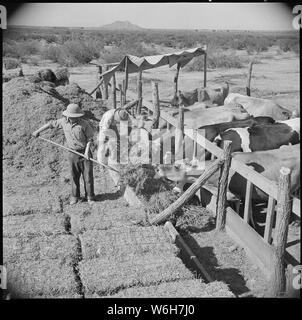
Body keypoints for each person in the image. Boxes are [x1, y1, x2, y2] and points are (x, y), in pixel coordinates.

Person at [32, 103, 95, 205]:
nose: (72, 119)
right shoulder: (63, 122)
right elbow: (50, 124)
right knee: (74, 176)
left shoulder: (84, 124)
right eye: (70, 117)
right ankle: (75, 197)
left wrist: (87, 152)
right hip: (72, 153)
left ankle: (90, 197)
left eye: (75, 117)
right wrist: (37, 131)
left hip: (85, 152)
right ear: (67, 116)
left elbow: (90, 139)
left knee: (87, 176)